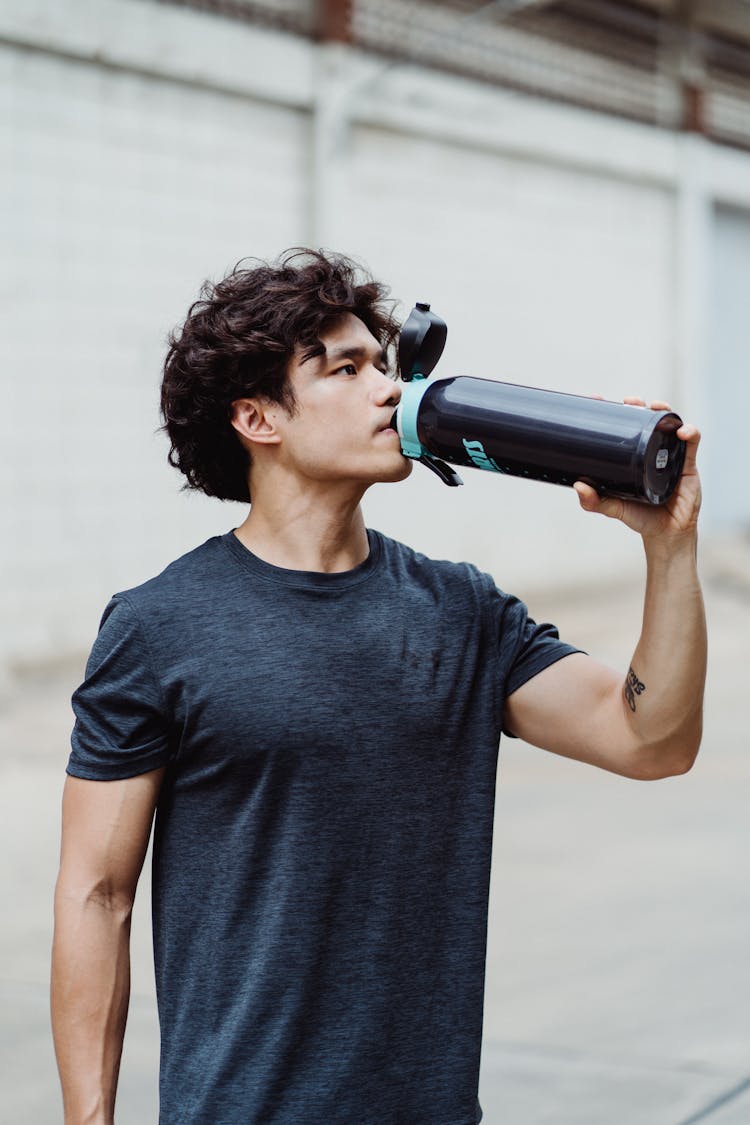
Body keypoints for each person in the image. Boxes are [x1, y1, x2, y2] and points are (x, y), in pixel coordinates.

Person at [51, 249, 706, 1125]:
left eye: (384, 364)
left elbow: (651, 740)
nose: (389, 390)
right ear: (257, 417)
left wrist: (669, 550)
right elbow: (98, 893)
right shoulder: (160, 627)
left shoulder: (461, 610)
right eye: (346, 369)